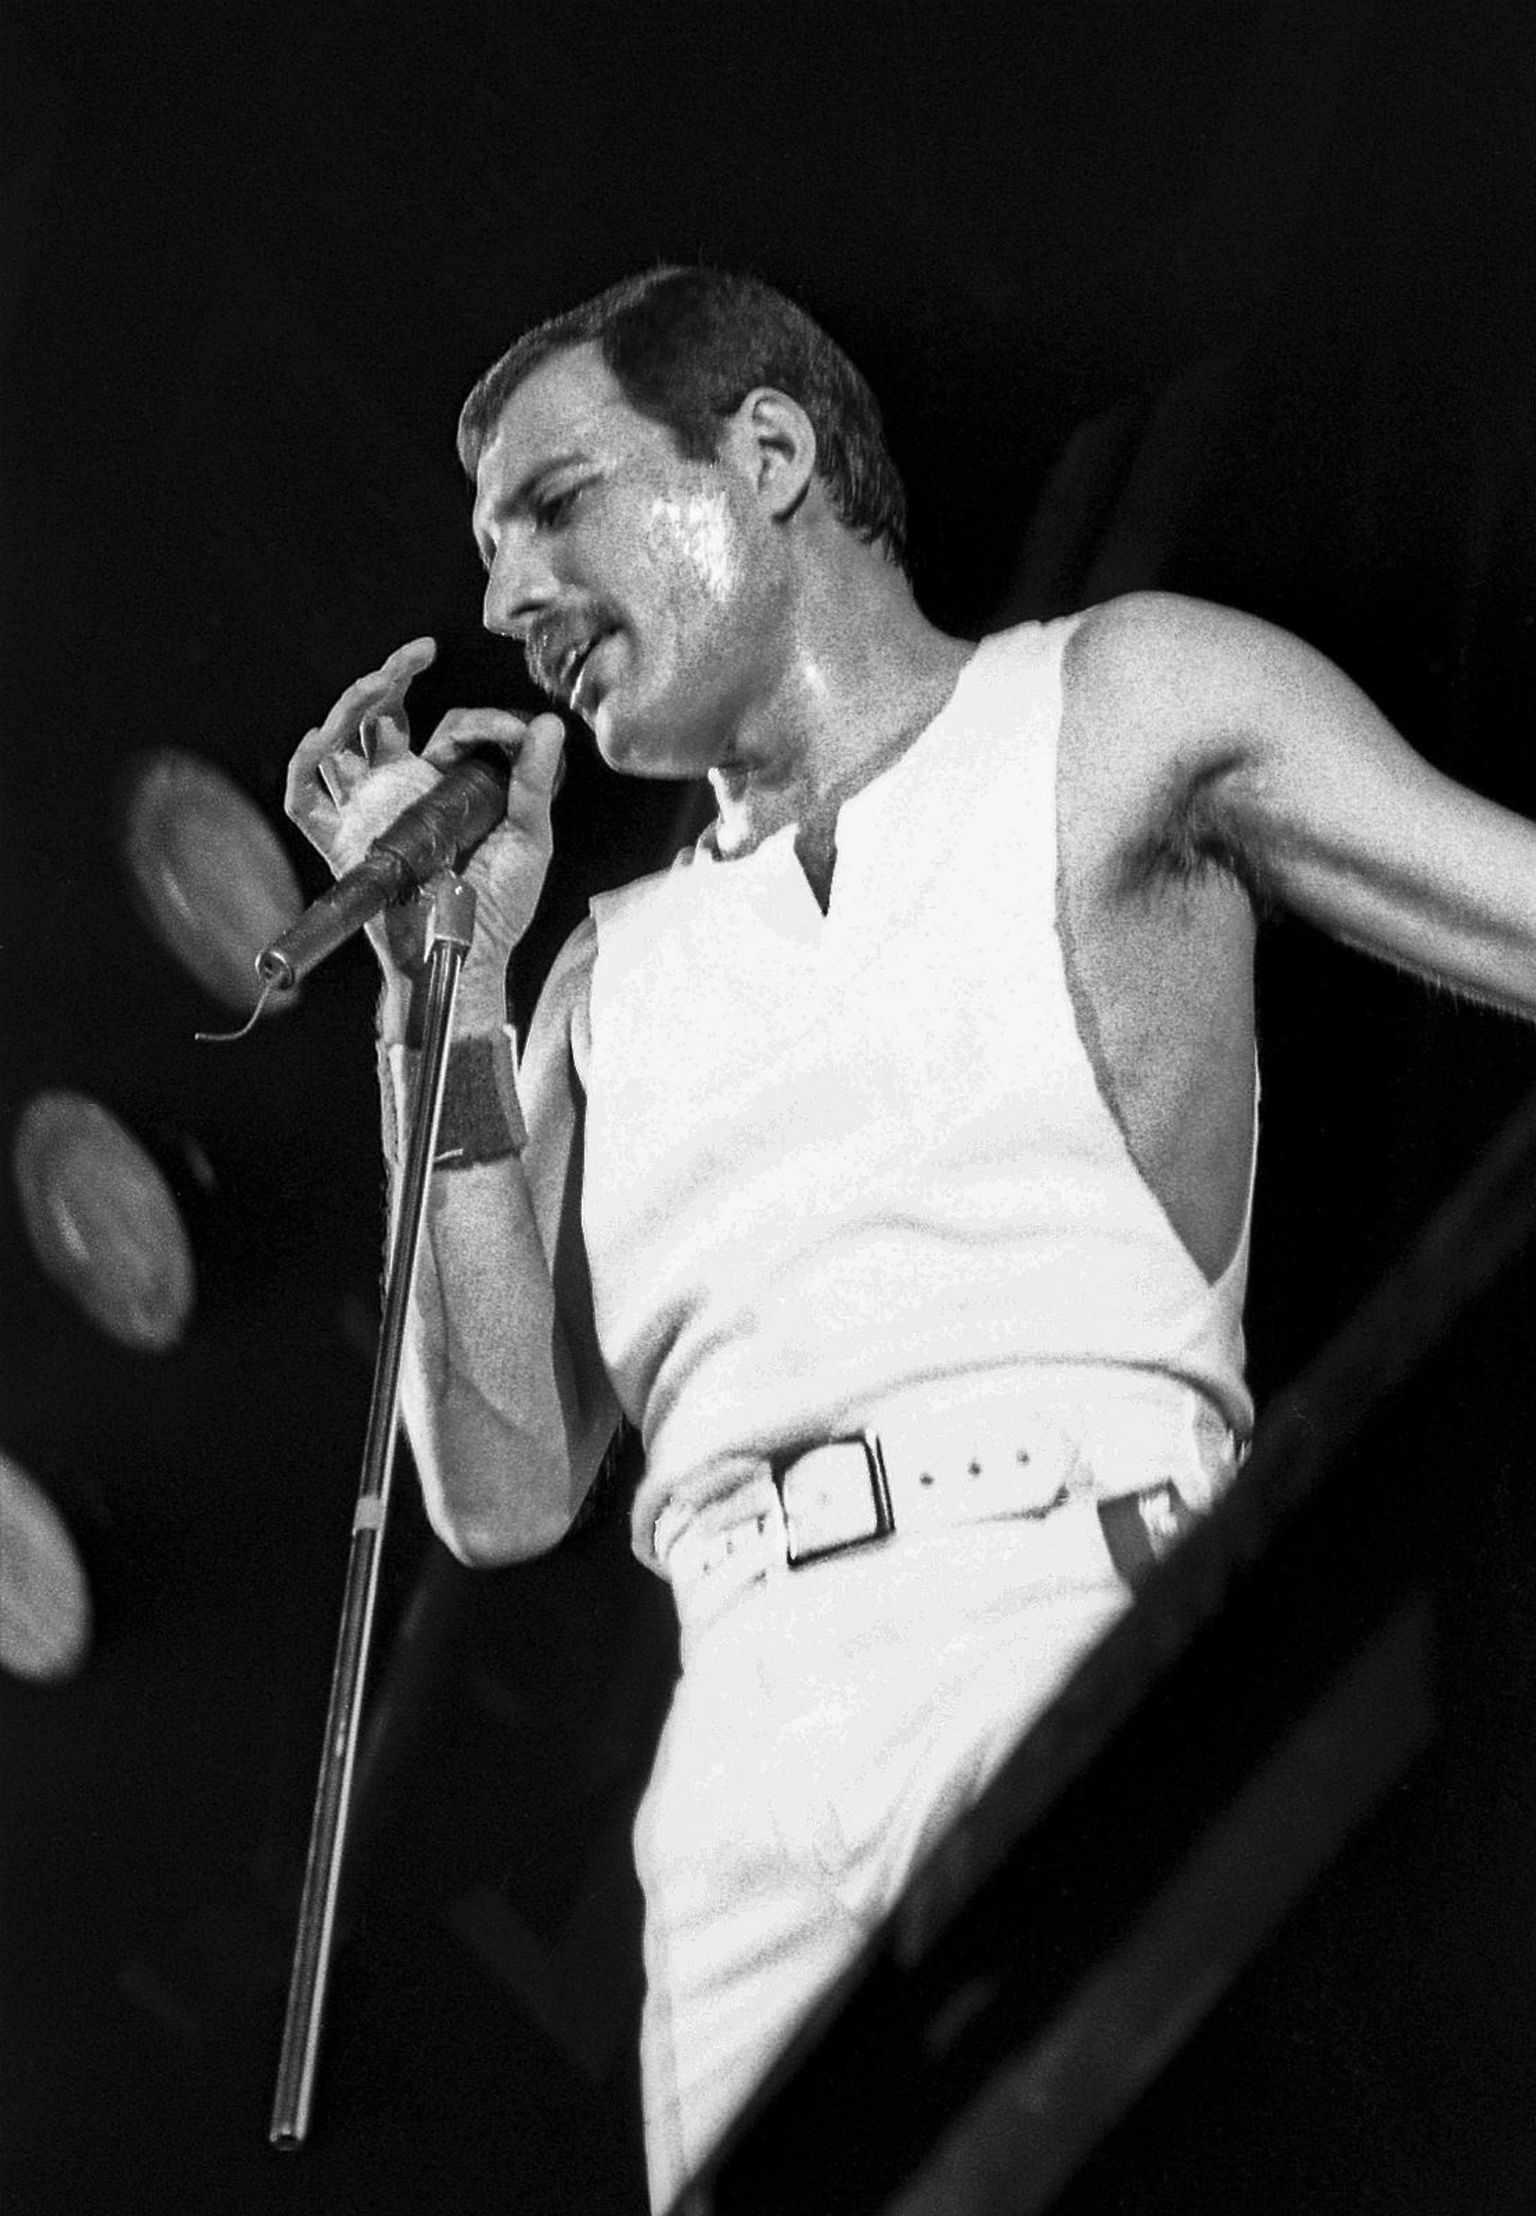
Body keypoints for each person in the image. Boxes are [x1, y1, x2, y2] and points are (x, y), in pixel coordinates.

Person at [284, 266, 1536, 2209]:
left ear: (767, 451)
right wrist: (435, 991)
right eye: (488, 552)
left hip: (1072, 1597)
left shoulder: (1120, 704)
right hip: (743, 1756)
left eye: (555, 505)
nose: (511, 596)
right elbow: (505, 1485)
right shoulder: (601, 983)